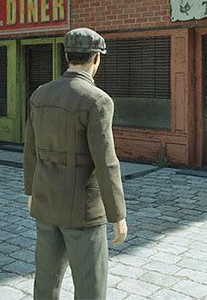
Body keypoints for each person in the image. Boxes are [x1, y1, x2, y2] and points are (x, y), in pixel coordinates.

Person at [23, 28, 128, 300]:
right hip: (82, 210)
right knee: (90, 286)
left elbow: (30, 150)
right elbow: (106, 162)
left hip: (46, 202)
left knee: (45, 283)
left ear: (67, 56)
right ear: (96, 58)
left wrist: (31, 193)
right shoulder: (97, 100)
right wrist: (117, 215)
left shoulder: (40, 95)